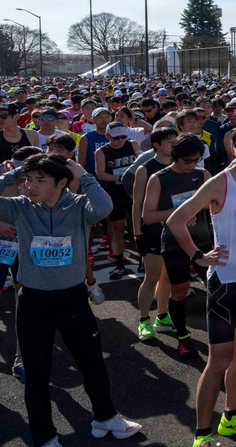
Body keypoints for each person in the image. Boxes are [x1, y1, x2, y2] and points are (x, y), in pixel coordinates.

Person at [0, 154, 141, 447]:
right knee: (37, 375)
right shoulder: (19, 208)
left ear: (62, 182)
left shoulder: (78, 206)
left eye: (41, 180)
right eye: (30, 179)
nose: (32, 186)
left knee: (93, 364)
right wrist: (14, 174)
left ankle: (105, 417)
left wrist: (82, 172)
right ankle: (45, 436)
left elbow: (104, 207)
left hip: (73, 300)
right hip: (34, 302)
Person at [166, 123, 236, 447]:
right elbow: (175, 220)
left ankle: (231, 417)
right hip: (225, 284)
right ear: (232, 149)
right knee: (218, 362)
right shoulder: (219, 184)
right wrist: (198, 256)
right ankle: (201, 434)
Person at [144, 134, 214, 360]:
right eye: (187, 161)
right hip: (174, 244)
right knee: (180, 290)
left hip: (203, 241)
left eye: (196, 160)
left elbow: (218, 203)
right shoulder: (159, 178)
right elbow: (148, 216)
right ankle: (183, 337)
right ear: (175, 156)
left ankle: (221, 333)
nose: (191, 165)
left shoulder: (202, 175)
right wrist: (181, 212)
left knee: (217, 286)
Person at [131, 126, 178, 342]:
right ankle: (143, 320)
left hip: (174, 229)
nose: (173, 144)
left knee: (167, 275)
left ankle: (162, 316)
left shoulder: (179, 167)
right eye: (169, 141)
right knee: (151, 276)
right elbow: (137, 202)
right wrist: (137, 232)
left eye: (175, 140)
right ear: (157, 145)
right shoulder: (145, 168)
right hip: (151, 229)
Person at [93, 121, 138, 280]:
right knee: (118, 228)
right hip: (115, 192)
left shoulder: (132, 145)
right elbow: (100, 174)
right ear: (107, 136)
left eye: (123, 137)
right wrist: (121, 177)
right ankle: (119, 263)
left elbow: (142, 163)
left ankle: (143, 260)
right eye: (115, 138)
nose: (119, 141)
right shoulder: (101, 151)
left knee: (139, 227)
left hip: (133, 191)